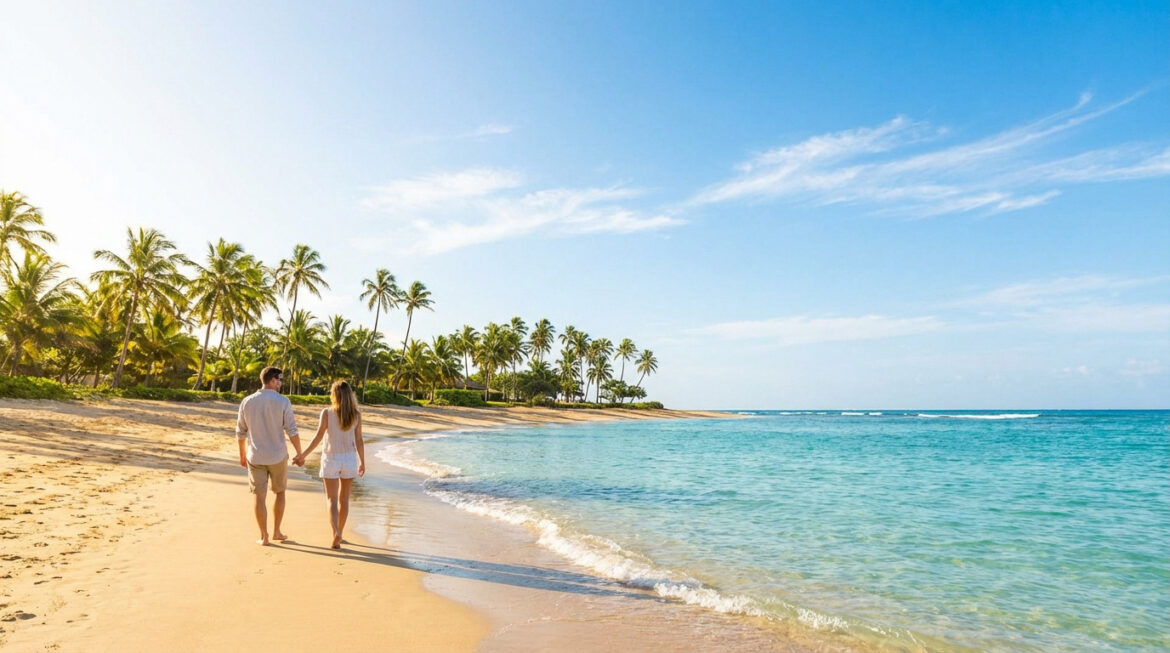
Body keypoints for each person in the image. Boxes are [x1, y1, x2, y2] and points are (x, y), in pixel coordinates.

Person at [236, 366, 303, 545]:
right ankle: (277, 532)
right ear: (272, 380)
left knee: (259, 496)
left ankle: (264, 536)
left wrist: (242, 454)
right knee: (280, 492)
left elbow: (240, 432)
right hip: (277, 456)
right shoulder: (283, 402)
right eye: (279, 379)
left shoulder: (247, 401)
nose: (281, 383)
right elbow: (292, 430)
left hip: (255, 456)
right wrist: (300, 453)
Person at [294, 380, 365, 549]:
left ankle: (335, 533)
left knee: (331, 499)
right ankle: (340, 531)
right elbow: (359, 440)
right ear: (350, 395)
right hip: (349, 459)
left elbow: (318, 436)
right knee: (344, 499)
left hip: (331, 458)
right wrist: (362, 462)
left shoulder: (327, 413)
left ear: (334, 395)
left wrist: (303, 455)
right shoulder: (356, 415)